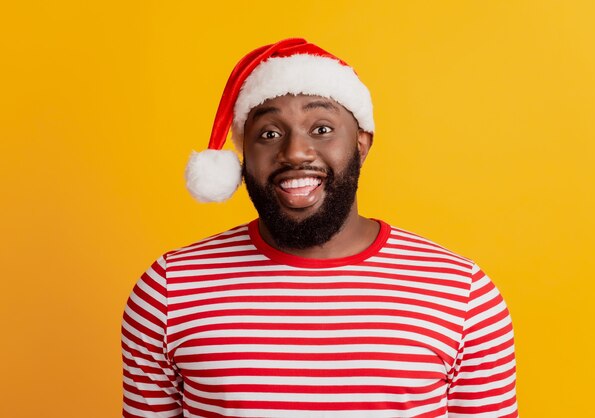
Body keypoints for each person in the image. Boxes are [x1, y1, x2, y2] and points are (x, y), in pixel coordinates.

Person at [122, 38, 518, 418]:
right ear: (243, 157)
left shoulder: (462, 295)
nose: (294, 151)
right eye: (269, 134)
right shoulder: (170, 291)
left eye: (322, 128)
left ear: (361, 143)